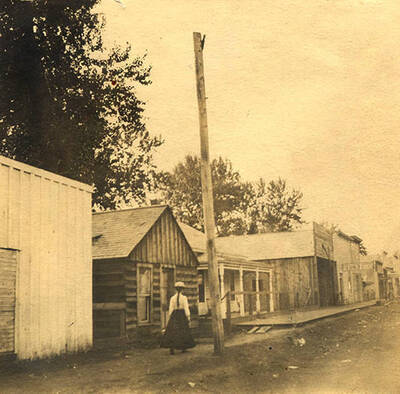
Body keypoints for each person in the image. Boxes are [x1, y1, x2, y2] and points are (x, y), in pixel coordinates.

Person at [160, 281, 196, 355]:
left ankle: (172, 348)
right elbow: (186, 308)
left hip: (175, 315)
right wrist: (188, 316)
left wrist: (171, 316)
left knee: (173, 331)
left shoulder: (172, 298)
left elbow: (171, 308)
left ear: (176, 289)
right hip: (181, 315)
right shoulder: (184, 298)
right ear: (182, 289)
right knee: (182, 330)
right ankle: (183, 347)